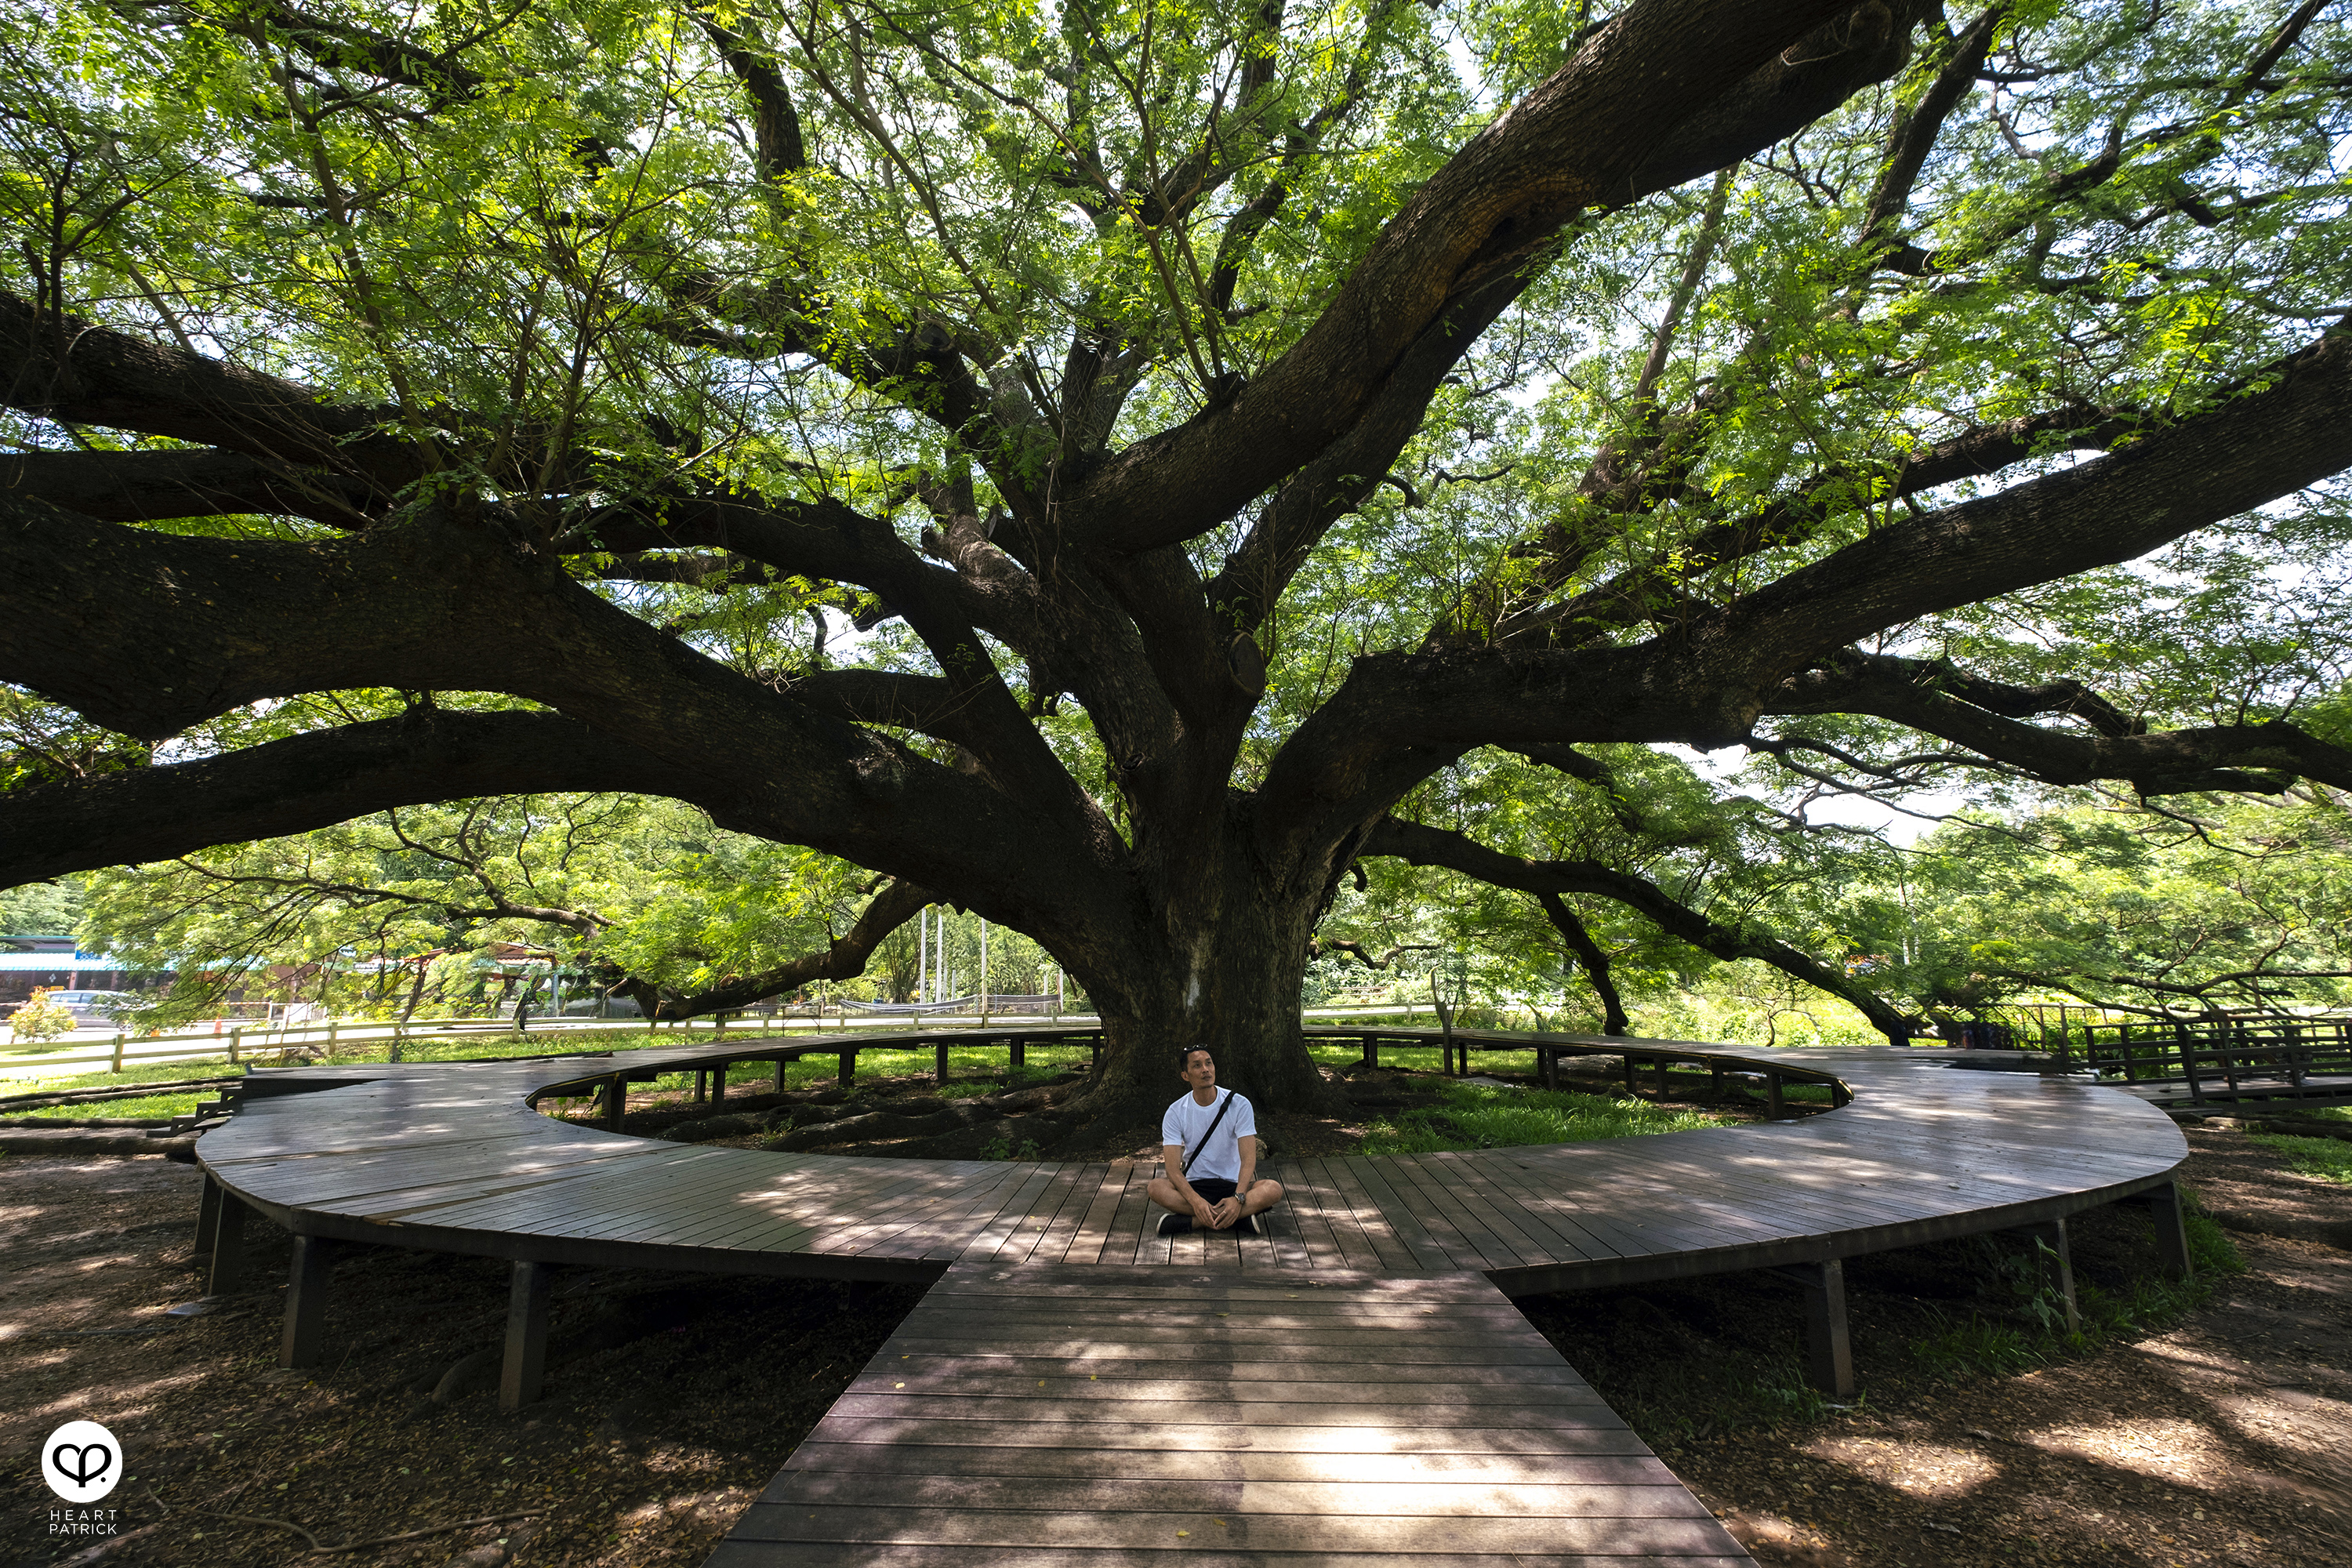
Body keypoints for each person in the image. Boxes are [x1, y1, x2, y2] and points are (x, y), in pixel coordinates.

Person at [1147, 1045, 1284, 1236]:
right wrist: (1195, 1201)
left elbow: (1248, 1160)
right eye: (1197, 1065)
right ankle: (1237, 1220)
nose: (1205, 1069)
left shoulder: (1240, 1104)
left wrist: (1238, 1198)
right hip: (1196, 1185)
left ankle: (1193, 1222)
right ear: (1185, 1075)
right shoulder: (1176, 1111)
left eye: (1209, 1063)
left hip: (1232, 1185)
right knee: (1155, 1187)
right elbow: (1172, 1170)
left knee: (1273, 1189)